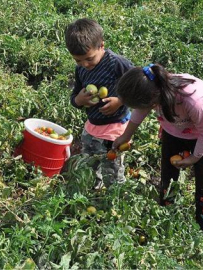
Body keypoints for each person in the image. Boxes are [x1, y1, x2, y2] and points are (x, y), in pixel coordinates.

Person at [112, 63, 203, 238]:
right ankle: (167, 224)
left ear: (154, 99)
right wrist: (126, 136)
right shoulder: (153, 90)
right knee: (168, 181)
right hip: (174, 131)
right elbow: (140, 111)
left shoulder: (191, 100)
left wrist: (195, 157)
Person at [65, 18, 133, 188]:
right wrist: (79, 100)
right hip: (92, 127)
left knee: (112, 169)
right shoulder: (81, 69)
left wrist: (120, 101)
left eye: (89, 59)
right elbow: (75, 97)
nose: (84, 64)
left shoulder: (116, 64)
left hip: (114, 130)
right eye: (78, 60)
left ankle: (114, 201)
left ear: (101, 45)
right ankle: (95, 192)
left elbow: (138, 86)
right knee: (90, 165)